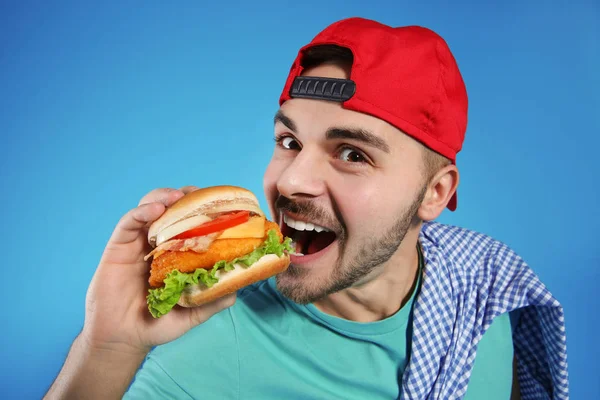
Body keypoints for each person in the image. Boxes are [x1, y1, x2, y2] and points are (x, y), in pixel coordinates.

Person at [45, 17, 569, 400]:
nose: (291, 180)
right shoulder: (208, 358)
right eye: (289, 141)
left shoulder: (484, 291)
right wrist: (106, 348)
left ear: (434, 193)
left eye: (352, 153)